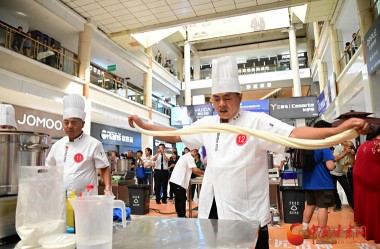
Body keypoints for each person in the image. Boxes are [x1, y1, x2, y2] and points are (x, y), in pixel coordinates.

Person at [128, 56, 368, 248]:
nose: (222, 104)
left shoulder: (257, 122)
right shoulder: (208, 124)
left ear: (240, 97)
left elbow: (296, 135)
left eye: (227, 98)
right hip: (215, 211)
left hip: (249, 214)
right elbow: (174, 133)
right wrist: (143, 125)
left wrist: (341, 129)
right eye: (216, 99)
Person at [45, 94, 112, 196]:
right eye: (66, 122)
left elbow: (104, 168)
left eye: (74, 122)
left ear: (82, 124)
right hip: (61, 198)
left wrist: (108, 188)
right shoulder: (57, 145)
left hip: (86, 199)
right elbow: (49, 168)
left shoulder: (93, 144)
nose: (69, 126)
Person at [301, 120, 336, 244]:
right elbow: (330, 166)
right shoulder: (323, 144)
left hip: (308, 182)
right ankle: (322, 236)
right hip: (322, 182)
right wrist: (332, 160)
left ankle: (304, 230)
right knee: (323, 207)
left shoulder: (306, 144)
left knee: (310, 205)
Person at [353, 127, 380, 243]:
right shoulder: (377, 145)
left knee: (372, 208)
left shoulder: (367, 145)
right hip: (376, 180)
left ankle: (372, 231)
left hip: (369, 178)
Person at [169, 149, 204, 218]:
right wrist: (205, 174)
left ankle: (179, 215)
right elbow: (194, 170)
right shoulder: (189, 157)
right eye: (196, 153)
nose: (195, 155)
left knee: (178, 199)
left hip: (174, 181)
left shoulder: (184, 156)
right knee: (181, 199)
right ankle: (182, 216)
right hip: (178, 181)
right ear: (194, 151)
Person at [331, 141, 355, 211]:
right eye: (349, 147)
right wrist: (345, 152)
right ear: (345, 146)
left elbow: (352, 164)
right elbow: (335, 158)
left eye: (352, 147)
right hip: (333, 172)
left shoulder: (350, 153)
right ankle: (338, 206)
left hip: (342, 173)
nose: (350, 148)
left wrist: (353, 155)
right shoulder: (338, 148)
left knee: (348, 190)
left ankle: (354, 206)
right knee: (334, 190)